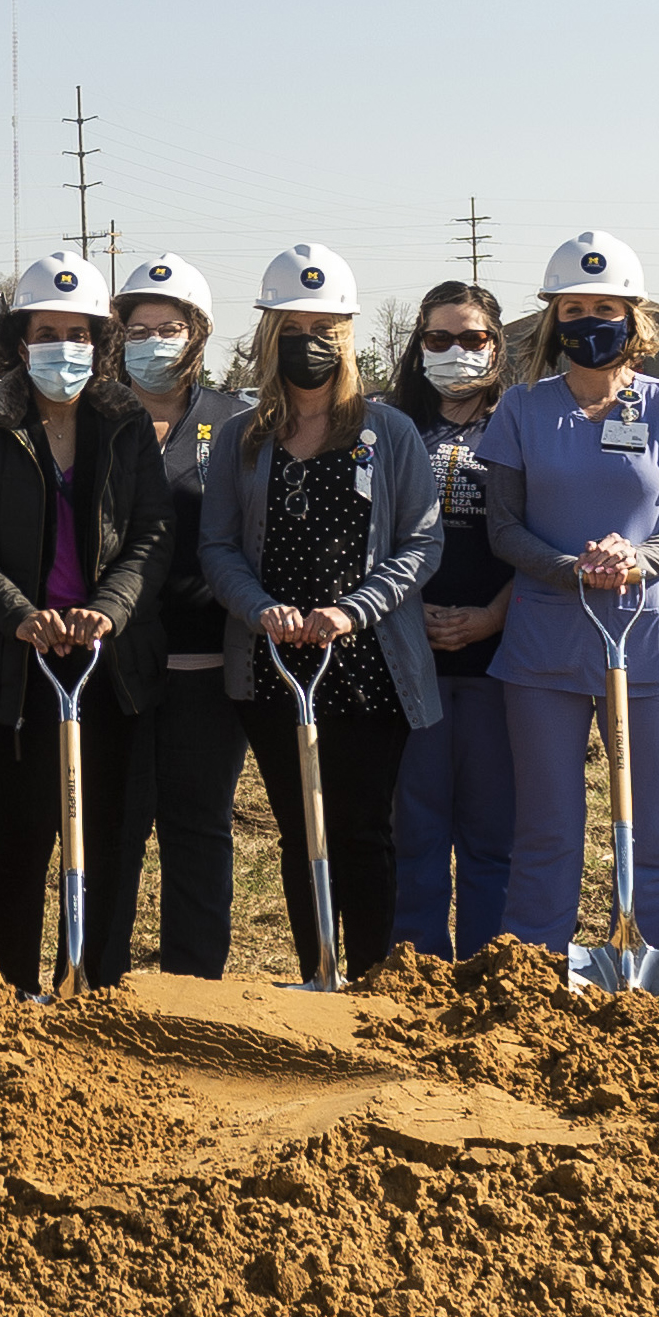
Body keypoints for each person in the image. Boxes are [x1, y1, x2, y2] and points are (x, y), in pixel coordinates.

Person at [198, 245, 445, 979]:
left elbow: (420, 543)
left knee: (363, 829)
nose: (312, 340)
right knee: (299, 828)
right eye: (295, 324)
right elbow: (217, 547)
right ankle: (315, 972)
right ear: (271, 333)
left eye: (327, 325)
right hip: (273, 663)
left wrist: (352, 610)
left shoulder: (389, 432)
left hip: (367, 663)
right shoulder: (243, 438)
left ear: (349, 336)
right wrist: (261, 608)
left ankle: (368, 975)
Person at [477, 231, 659, 956]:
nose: (589, 321)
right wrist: (570, 565)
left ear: (632, 315)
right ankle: (536, 964)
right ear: (554, 318)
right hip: (544, 642)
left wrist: (639, 558)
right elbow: (504, 529)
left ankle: (655, 955)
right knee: (548, 824)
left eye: (605, 306)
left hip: (645, 641)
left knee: (655, 822)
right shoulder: (521, 409)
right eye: (574, 306)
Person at [0, 250, 169, 994]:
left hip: (110, 662)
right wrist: (20, 615)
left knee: (107, 835)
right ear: (18, 338)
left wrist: (108, 610)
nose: (62, 347)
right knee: (22, 835)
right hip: (18, 660)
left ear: (99, 343)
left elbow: (152, 534)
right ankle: (16, 988)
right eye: (46, 331)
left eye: (78, 333)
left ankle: (96, 985)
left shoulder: (126, 422)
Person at [109, 254, 252, 975]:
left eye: (169, 327)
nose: (154, 340)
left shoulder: (236, 421)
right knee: (116, 828)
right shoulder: (97, 417)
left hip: (205, 665)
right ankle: (99, 977)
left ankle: (197, 983)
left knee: (198, 827)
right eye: (139, 328)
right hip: (114, 667)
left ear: (197, 334)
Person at [387, 282, 517, 957]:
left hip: (498, 659)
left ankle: (489, 968)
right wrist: (408, 612)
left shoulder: (519, 422)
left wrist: (491, 617)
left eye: (472, 338)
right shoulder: (388, 423)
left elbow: (543, 540)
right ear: (418, 346)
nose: (456, 351)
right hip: (412, 662)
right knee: (416, 828)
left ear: (496, 344)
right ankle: (417, 967)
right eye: (438, 338)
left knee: (493, 834)